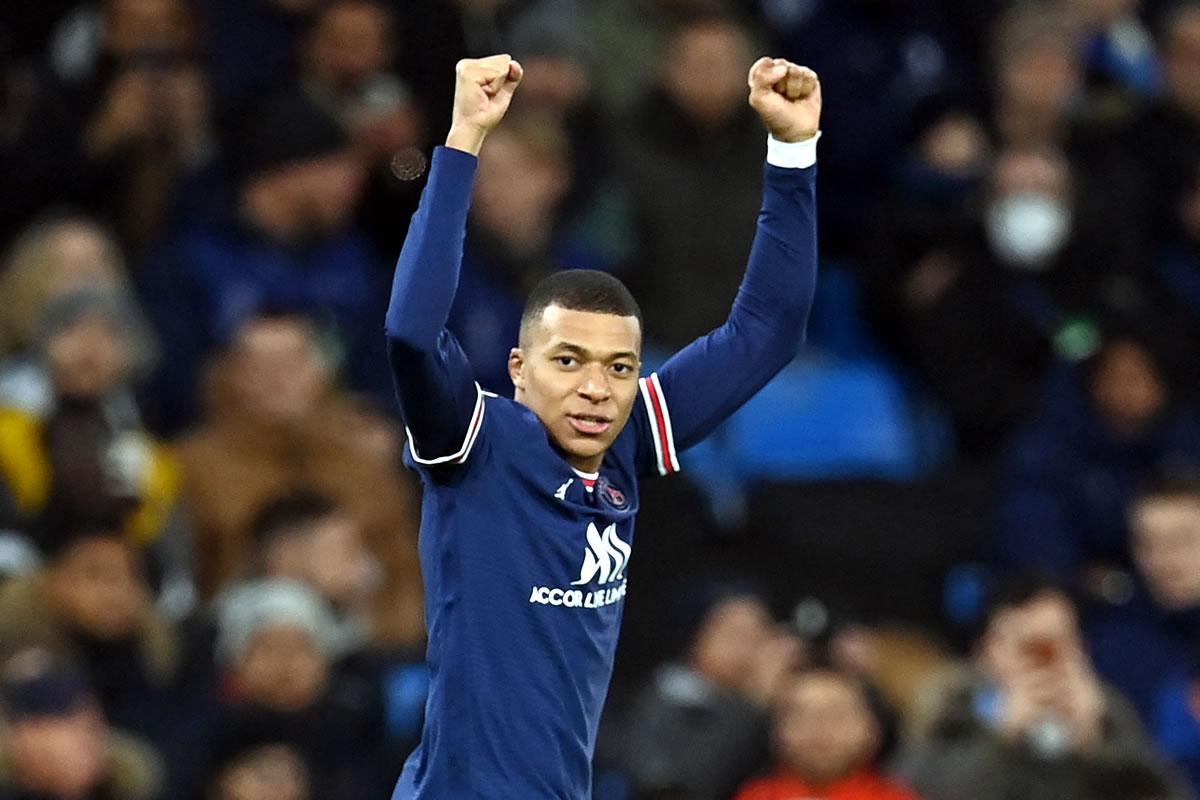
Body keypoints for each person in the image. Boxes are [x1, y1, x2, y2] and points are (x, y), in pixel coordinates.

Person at [386, 52, 821, 798]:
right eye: (568, 361)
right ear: (519, 368)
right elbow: (413, 333)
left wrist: (791, 151)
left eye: (619, 368)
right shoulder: (475, 441)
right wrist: (462, 143)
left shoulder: (626, 446)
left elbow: (768, 331)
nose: (595, 389)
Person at [733, 668, 921, 800]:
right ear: (777, 731)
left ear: (873, 729)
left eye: (837, 715)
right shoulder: (754, 796)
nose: (819, 728)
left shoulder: (898, 797)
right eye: (802, 715)